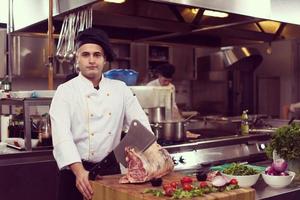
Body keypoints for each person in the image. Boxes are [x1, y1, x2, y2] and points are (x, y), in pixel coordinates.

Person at [49, 27, 151, 200]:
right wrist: (79, 171)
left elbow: (142, 128)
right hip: (75, 171)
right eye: (85, 54)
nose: (91, 60)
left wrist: (136, 162)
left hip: (110, 172)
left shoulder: (121, 89)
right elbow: (61, 137)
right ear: (77, 59)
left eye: (97, 55)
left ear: (105, 60)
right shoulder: (65, 91)